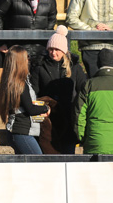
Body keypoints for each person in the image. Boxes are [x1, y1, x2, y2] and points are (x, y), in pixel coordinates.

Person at [30, 26, 87, 155]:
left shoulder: (75, 68)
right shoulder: (39, 66)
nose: (53, 53)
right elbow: (34, 92)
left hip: (68, 118)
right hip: (48, 118)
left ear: (64, 50)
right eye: (50, 49)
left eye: (57, 49)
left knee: (68, 155)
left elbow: (82, 90)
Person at [0, 46, 51, 155]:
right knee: (37, 161)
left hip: (19, 131)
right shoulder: (20, 84)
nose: (28, 60)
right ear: (20, 62)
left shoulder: (11, 82)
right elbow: (30, 109)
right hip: (21, 132)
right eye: (26, 58)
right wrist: (46, 108)